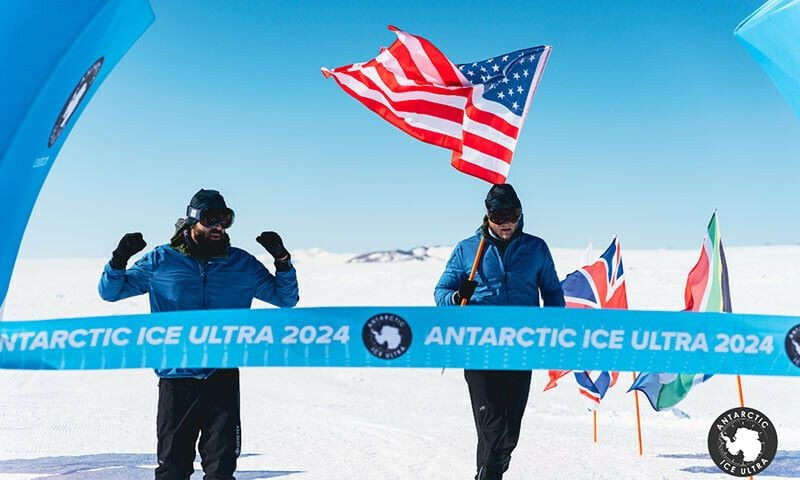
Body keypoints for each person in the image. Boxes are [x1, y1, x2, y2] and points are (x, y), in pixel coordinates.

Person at [98, 189, 299, 480]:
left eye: (225, 220)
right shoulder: (161, 260)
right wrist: (119, 260)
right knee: (173, 469)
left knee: (221, 470)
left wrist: (282, 260)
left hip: (222, 374)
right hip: (176, 376)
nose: (218, 227)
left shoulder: (241, 264)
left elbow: (285, 298)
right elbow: (110, 292)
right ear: (193, 221)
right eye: (211, 220)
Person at [434, 183, 565, 480]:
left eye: (512, 215)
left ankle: (495, 464)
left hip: (521, 347)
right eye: (499, 217)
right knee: (491, 422)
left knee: (510, 428)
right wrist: (457, 297)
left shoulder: (536, 248)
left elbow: (553, 293)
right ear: (488, 216)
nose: (506, 223)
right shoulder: (468, 249)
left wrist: (553, 328)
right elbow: (441, 292)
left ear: (521, 213)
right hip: (479, 347)